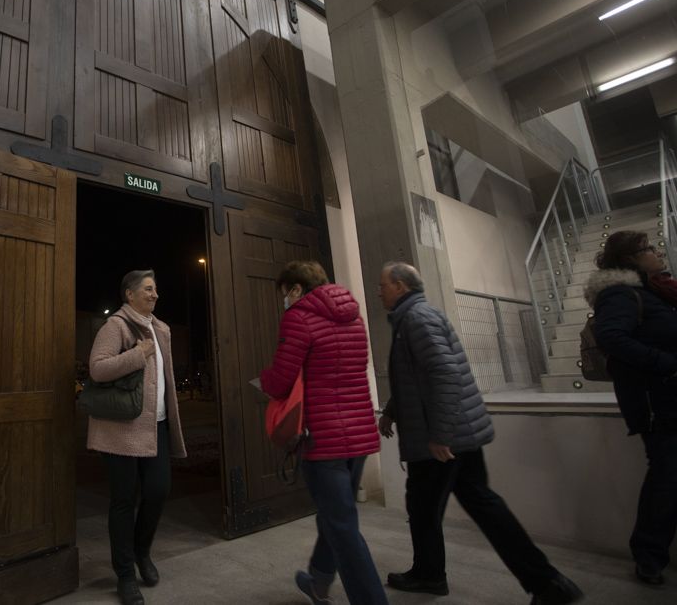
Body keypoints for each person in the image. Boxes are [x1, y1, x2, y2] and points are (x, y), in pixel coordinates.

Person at [377, 262, 583, 605]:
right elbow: (416, 377)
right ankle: (547, 583)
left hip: (442, 439)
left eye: (383, 284)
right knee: (478, 505)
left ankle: (434, 575)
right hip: (456, 431)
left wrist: (441, 434)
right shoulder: (415, 317)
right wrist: (392, 411)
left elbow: (443, 375)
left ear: (399, 286)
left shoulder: (416, 319)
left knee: (428, 506)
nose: (379, 290)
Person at [260, 260, 388, 605]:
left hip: (323, 438)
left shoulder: (298, 317)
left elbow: (282, 379)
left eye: (285, 293)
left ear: (297, 288)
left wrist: (265, 381)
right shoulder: (354, 318)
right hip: (358, 434)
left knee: (342, 527)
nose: (284, 300)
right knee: (337, 516)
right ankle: (318, 580)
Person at [88, 270, 187, 605]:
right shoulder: (115, 325)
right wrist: (137, 355)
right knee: (124, 500)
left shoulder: (161, 329)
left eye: (156, 288)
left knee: (159, 491)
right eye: (148, 289)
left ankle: (142, 551)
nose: (155, 294)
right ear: (129, 294)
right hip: (121, 429)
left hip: (155, 425)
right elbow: (97, 368)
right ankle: (126, 574)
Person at [584, 231, 677, 586]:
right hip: (660, 405)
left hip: (670, 399)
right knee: (666, 482)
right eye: (649, 248)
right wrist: (667, 363)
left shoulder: (654, 292)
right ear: (631, 259)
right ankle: (649, 557)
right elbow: (613, 338)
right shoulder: (620, 296)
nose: (656, 251)